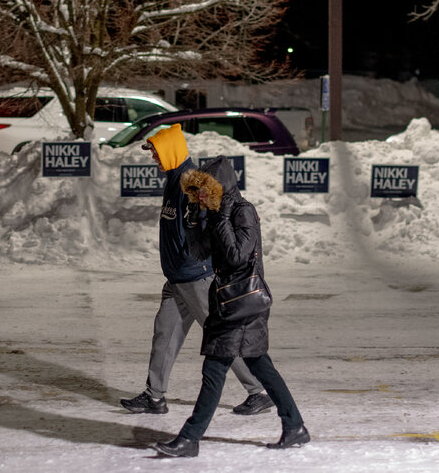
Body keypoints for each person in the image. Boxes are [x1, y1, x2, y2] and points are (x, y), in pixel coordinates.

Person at [153, 156, 309, 458]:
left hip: (243, 304)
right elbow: (201, 253)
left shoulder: (242, 211)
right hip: (228, 302)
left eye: (204, 190)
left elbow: (237, 255)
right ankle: (295, 426)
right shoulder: (214, 212)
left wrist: (222, 218)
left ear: (219, 186)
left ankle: (190, 438)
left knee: (214, 371)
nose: (200, 196)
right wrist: (194, 222)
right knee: (261, 366)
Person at [120, 124, 274, 416]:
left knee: (224, 335)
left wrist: (197, 260)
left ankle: (259, 390)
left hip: (196, 278)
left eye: (156, 151)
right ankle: (154, 396)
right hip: (177, 279)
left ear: (170, 150)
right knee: (164, 334)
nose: (153, 157)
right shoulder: (173, 179)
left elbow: (207, 224)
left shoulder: (190, 181)